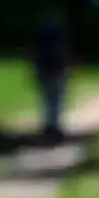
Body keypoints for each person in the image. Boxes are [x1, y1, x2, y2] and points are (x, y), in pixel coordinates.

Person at [31, 11, 70, 141]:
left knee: (46, 99)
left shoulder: (40, 34)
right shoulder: (59, 34)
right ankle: (54, 126)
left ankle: (49, 126)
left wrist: (34, 69)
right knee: (57, 99)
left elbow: (34, 53)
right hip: (57, 70)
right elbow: (63, 52)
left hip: (43, 70)